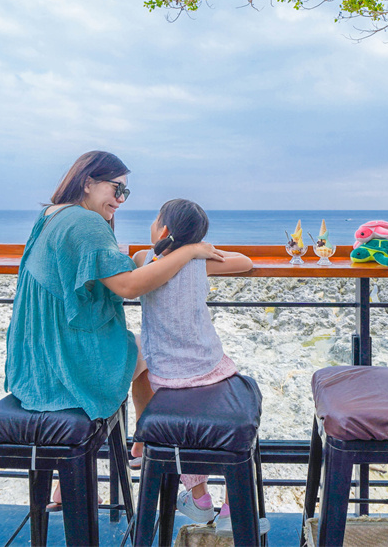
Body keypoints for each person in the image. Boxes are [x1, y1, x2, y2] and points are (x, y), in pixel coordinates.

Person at [4, 151, 223, 505]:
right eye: (116, 189)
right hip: (67, 369)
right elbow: (129, 287)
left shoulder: (50, 216)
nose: (120, 200)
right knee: (147, 353)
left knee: (136, 347)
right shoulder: (86, 223)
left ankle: (84, 468)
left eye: (126, 193)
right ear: (88, 182)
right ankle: (149, 446)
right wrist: (190, 252)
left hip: (31, 364)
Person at [132, 198, 265, 536]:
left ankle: (200, 496)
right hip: (208, 367)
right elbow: (246, 262)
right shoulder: (199, 264)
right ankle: (234, 505)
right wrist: (206, 252)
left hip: (166, 378)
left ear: (162, 230)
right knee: (227, 409)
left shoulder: (141, 260)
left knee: (184, 430)